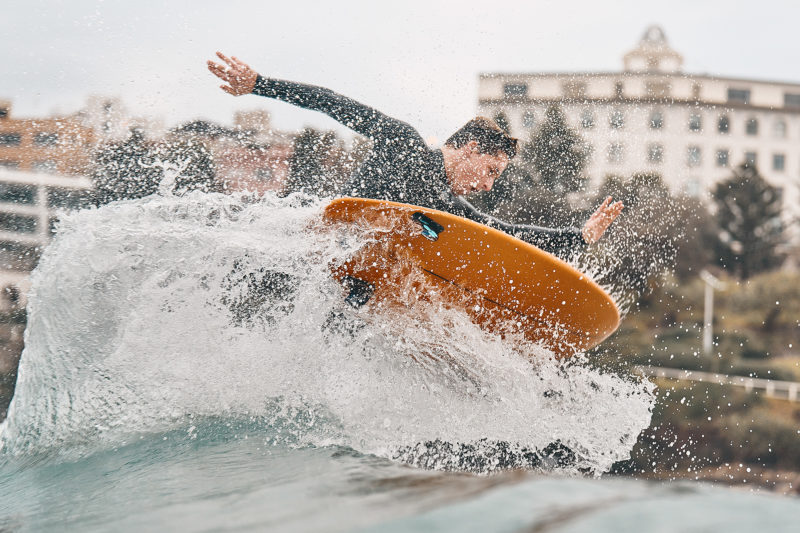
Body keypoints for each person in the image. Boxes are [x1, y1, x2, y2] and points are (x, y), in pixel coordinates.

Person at [207, 52, 623, 258]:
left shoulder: (445, 206)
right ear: (471, 148)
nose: (487, 184)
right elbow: (333, 103)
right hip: (307, 251)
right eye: (491, 170)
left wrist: (577, 238)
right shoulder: (403, 142)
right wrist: (260, 85)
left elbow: (505, 235)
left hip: (346, 270)